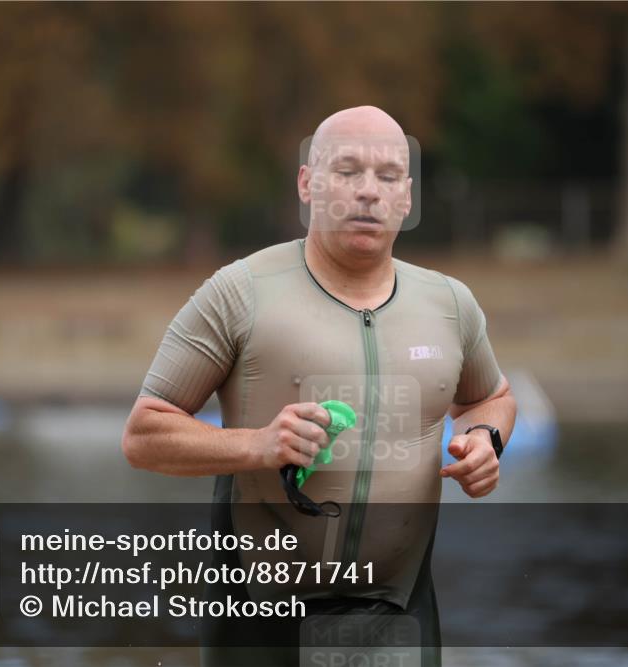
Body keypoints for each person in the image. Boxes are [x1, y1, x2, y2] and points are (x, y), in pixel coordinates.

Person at [122, 106, 517, 666]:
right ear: (308, 184)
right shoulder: (240, 292)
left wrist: (485, 441)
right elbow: (143, 435)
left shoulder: (450, 304)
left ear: (406, 196)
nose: (367, 193)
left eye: (386, 177)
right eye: (347, 170)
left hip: (400, 617)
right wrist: (258, 445)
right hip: (261, 623)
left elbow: (490, 398)